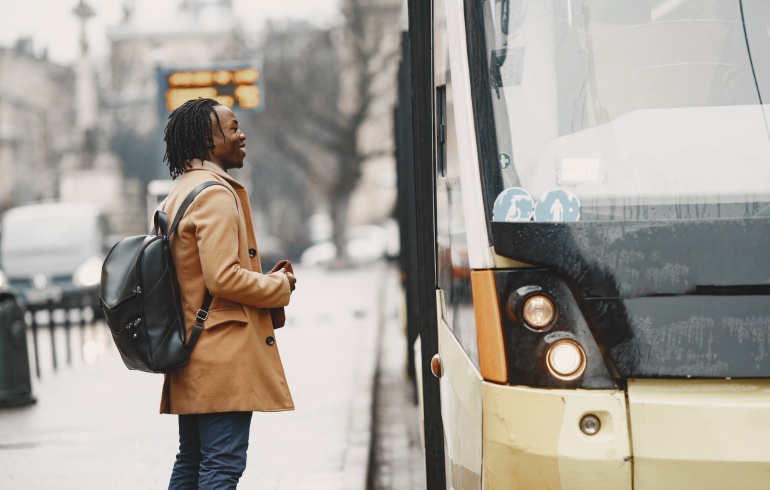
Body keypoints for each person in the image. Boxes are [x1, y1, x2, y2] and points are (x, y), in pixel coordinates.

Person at [160, 98, 297, 489]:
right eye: (233, 128)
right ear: (209, 140)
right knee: (221, 465)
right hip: (221, 354)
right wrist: (279, 286)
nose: (242, 135)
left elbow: (198, 278)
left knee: (193, 460)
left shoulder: (180, 191)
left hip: (193, 348)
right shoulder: (214, 194)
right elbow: (223, 278)